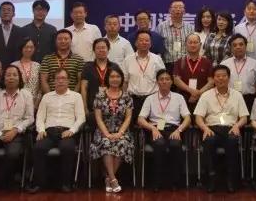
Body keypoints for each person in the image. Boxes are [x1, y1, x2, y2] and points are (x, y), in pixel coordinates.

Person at [28, 68, 86, 193]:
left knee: (67, 148)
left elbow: (81, 118)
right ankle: (39, 184)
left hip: (67, 132)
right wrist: (41, 130)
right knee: (38, 148)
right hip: (48, 132)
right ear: (53, 81)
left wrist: (72, 130)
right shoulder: (47, 97)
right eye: (58, 78)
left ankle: (66, 183)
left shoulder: (76, 96)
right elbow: (40, 117)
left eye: (63, 78)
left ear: (68, 81)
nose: (60, 81)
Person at [194, 65, 249, 193]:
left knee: (232, 141)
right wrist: (205, 128)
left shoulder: (237, 95)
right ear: (213, 79)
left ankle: (231, 179)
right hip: (211, 128)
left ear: (229, 78)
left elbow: (244, 117)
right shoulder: (206, 95)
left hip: (230, 128)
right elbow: (198, 117)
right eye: (217, 76)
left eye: (224, 76)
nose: (221, 78)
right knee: (209, 141)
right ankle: (211, 178)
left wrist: (237, 126)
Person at [0, 65, 34, 188]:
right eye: (8, 75)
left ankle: (3, 180)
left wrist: (15, 130)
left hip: (15, 133)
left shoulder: (26, 94)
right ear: (3, 78)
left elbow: (30, 118)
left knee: (13, 154)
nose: (11, 77)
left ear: (19, 78)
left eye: (14, 75)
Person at [137, 69, 192, 191]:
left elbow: (188, 118)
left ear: (171, 82)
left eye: (167, 79)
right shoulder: (150, 99)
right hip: (155, 128)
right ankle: (157, 181)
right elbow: (140, 119)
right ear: (157, 82)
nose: (164, 81)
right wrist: (152, 128)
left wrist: (179, 130)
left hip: (174, 129)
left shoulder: (179, 97)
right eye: (161, 79)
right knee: (159, 144)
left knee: (175, 144)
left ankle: (175, 181)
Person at [90, 65, 134, 194]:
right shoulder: (99, 96)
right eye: (112, 76)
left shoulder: (127, 97)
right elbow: (98, 118)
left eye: (118, 76)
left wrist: (120, 133)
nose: (115, 79)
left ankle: (108, 178)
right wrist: (107, 134)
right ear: (107, 79)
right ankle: (114, 179)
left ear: (122, 79)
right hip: (103, 130)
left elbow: (128, 117)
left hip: (121, 130)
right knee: (106, 142)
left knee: (122, 143)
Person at [122, 30, 166, 121]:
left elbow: (163, 80)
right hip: (133, 100)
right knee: (132, 125)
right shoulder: (128, 60)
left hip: (153, 99)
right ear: (136, 43)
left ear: (150, 43)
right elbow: (124, 81)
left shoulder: (157, 59)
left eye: (147, 40)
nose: (144, 42)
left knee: (152, 126)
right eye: (141, 40)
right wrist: (125, 98)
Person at [221, 34, 256, 110]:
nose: (238, 47)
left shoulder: (254, 63)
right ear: (231, 48)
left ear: (246, 46)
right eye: (234, 45)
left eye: (241, 44)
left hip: (249, 100)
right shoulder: (224, 64)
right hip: (229, 99)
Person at [173, 33, 214, 110]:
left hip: (202, 99)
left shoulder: (207, 62)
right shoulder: (179, 62)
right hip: (183, 99)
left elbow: (211, 82)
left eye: (195, 42)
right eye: (190, 42)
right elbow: (176, 80)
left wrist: (198, 93)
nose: (193, 45)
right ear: (185, 44)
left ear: (200, 44)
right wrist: (192, 91)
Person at [81, 38, 118, 118]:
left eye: (103, 47)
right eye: (98, 48)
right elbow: (84, 88)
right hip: (92, 107)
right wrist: (85, 107)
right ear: (94, 50)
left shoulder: (114, 67)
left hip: (112, 107)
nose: (101, 50)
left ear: (108, 49)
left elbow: (119, 87)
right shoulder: (88, 67)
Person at [40, 29, 84, 94]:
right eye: (60, 39)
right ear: (55, 41)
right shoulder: (47, 59)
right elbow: (43, 81)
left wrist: (73, 96)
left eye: (66, 39)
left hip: (72, 97)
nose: (63, 41)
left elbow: (80, 81)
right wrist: (50, 96)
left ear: (71, 41)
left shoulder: (79, 60)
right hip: (51, 97)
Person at [156, 0, 195, 71]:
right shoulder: (161, 27)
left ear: (184, 11)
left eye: (180, 7)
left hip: (186, 64)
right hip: (167, 64)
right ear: (169, 10)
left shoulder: (190, 28)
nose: (178, 9)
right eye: (175, 7)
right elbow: (157, 46)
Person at [0, 1, 25, 67]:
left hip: (15, 69)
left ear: (14, 14)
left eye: (9, 10)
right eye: (3, 10)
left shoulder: (21, 31)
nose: (6, 12)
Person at [12, 37, 42, 108]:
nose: (29, 49)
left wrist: (36, 104)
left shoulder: (38, 66)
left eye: (31, 47)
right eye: (26, 47)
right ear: (21, 48)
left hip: (34, 104)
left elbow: (40, 88)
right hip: (16, 103)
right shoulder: (14, 65)